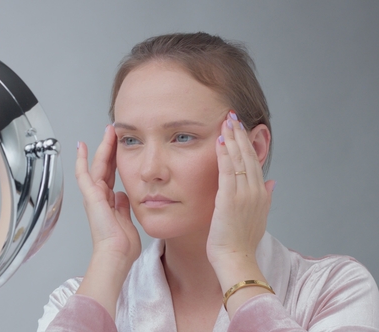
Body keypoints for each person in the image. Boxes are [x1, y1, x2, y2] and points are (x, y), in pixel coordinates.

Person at [37, 32, 379, 331]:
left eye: (182, 137)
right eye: (131, 140)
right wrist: (109, 258)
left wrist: (235, 261)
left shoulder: (333, 290)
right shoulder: (78, 301)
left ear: (254, 147)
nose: (149, 170)